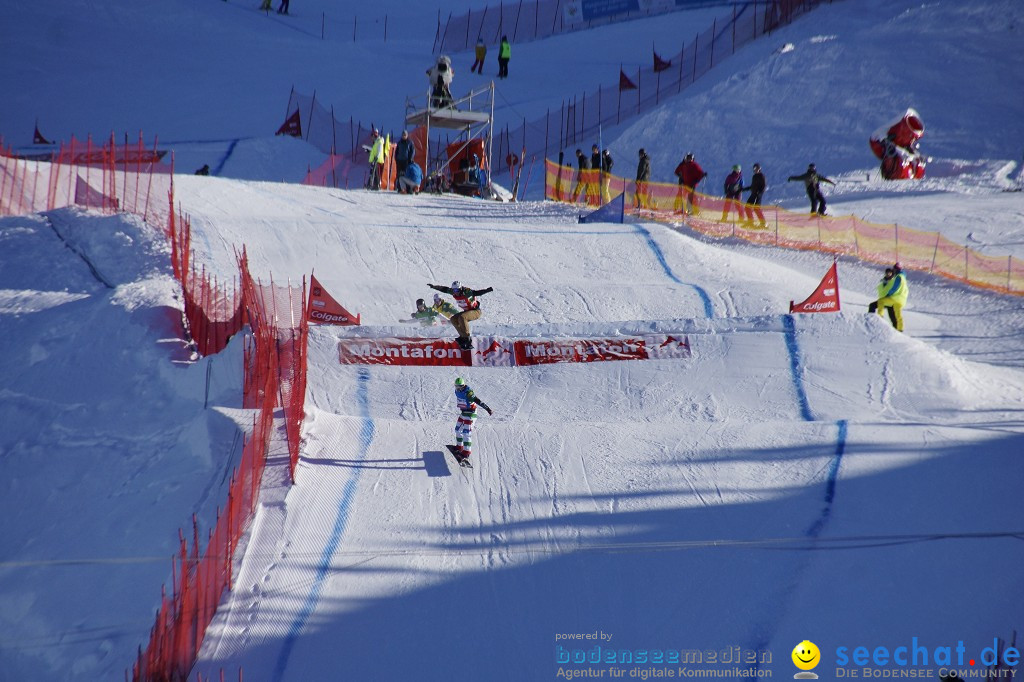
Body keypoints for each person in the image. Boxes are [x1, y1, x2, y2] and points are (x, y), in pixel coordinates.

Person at [428, 280, 494, 349]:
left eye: (456, 290)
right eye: (453, 290)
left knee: (462, 317)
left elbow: (477, 293)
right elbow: (444, 289)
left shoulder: (466, 292)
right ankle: (462, 337)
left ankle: (467, 339)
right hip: (467, 311)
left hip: (476, 311)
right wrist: (434, 287)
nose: (455, 292)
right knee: (453, 319)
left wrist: (487, 290)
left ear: (460, 289)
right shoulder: (453, 292)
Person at [451, 377, 493, 464]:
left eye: (459, 387)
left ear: (463, 386)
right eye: (456, 387)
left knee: (466, 432)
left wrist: (488, 409)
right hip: (464, 412)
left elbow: (478, 401)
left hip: (471, 413)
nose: (457, 389)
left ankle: (466, 453)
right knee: (457, 430)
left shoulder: (468, 393)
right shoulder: (457, 391)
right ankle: (459, 447)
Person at [867, 264, 908, 331]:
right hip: (897, 299)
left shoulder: (896, 278)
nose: (888, 274)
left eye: (890, 272)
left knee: (892, 314)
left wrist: (889, 294)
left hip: (892, 298)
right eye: (887, 273)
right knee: (896, 315)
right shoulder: (900, 278)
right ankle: (899, 329)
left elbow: (895, 287)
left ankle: (879, 319)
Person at [743, 162, 767, 228]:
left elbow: (764, 186)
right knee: (747, 207)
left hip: (758, 195)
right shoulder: (754, 176)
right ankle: (750, 222)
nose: (755, 170)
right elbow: (753, 186)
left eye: (756, 168)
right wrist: (744, 189)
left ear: (759, 169)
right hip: (753, 194)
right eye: (754, 168)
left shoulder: (761, 176)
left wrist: (760, 193)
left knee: (756, 208)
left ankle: (763, 223)